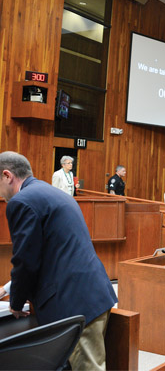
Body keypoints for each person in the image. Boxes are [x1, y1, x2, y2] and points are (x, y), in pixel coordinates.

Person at [0, 151, 117, 370]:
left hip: (73, 302)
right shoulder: (50, 192)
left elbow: (26, 261)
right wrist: (8, 287)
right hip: (89, 292)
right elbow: (48, 252)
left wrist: (16, 302)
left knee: (87, 367)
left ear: (7, 176)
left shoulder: (21, 202)